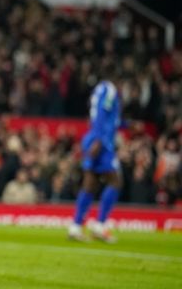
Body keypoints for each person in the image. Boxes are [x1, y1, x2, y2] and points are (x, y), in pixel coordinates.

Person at [68, 67, 123, 243]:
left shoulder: (99, 90)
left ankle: (75, 226)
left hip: (93, 136)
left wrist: (127, 125)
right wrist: (99, 140)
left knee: (90, 184)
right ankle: (100, 224)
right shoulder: (109, 90)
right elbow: (101, 115)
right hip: (101, 141)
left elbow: (108, 119)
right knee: (115, 180)